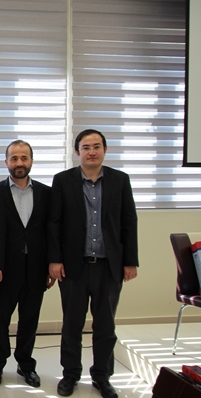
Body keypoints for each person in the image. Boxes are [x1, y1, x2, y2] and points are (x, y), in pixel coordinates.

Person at [48, 129, 138, 398]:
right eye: (86, 147)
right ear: (77, 152)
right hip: (73, 267)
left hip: (109, 267)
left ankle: (102, 376)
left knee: (105, 326)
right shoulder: (63, 180)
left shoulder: (120, 180)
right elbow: (54, 223)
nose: (91, 152)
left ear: (105, 150)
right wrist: (54, 259)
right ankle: (70, 375)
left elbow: (129, 222)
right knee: (72, 325)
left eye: (97, 146)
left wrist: (130, 261)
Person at [0, 140, 54, 388]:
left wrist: (51, 264)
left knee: (29, 320)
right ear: (6, 162)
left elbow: (50, 232)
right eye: (14, 158)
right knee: (0, 320)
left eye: (24, 158)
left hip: (36, 268)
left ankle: (26, 364)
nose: (19, 163)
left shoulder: (46, 193)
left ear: (31, 161)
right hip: (5, 269)